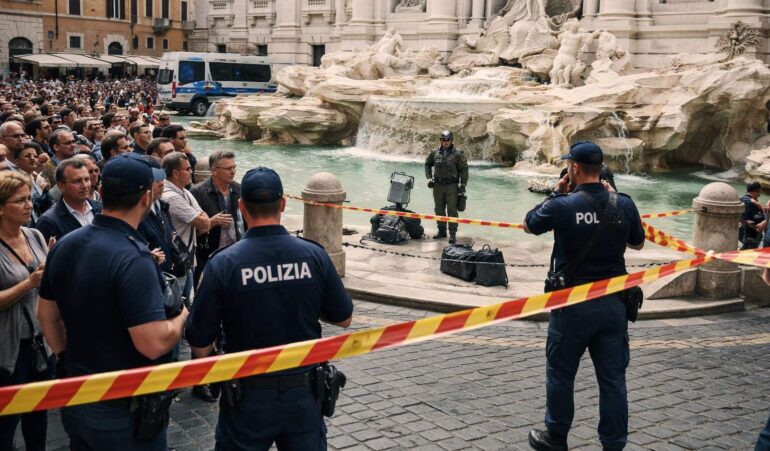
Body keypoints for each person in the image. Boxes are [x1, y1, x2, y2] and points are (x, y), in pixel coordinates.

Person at [186, 167, 354, 450]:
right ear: (284, 203)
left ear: (241, 207)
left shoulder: (223, 263)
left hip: (247, 395)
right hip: (303, 392)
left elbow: (200, 342)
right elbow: (344, 318)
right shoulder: (313, 255)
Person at [37, 152, 187, 451]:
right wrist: (181, 315)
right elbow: (152, 343)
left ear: (100, 191)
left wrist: (66, 358)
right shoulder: (135, 258)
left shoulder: (66, 244)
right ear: (146, 198)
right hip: (124, 405)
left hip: (77, 392)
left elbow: (46, 315)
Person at [523, 141, 645, 451]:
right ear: (601, 169)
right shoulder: (624, 204)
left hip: (572, 306)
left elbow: (529, 224)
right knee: (613, 379)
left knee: (562, 373)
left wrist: (558, 191)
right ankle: (614, 444)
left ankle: (556, 437)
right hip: (614, 304)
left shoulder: (562, 204)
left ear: (574, 168)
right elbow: (638, 244)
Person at [0, 171, 53, 451]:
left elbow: (46, 285)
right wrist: (29, 283)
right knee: (7, 420)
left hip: (39, 341)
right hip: (8, 346)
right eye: (20, 200)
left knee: (39, 410)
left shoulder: (34, 235)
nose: (29, 205)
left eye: (29, 199)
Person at [190, 150, 243, 286]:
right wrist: (211, 223)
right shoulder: (197, 193)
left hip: (236, 253)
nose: (233, 171)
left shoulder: (240, 190)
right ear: (214, 170)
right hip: (208, 255)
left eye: (234, 167)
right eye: (228, 168)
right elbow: (189, 231)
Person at [36, 158, 102, 242]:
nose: (85, 185)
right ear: (61, 186)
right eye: (77, 181)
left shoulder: (101, 209)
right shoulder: (49, 222)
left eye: (87, 179)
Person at [424, 130, 468, 244]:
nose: (446, 142)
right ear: (440, 140)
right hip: (437, 185)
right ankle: (441, 231)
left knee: (452, 210)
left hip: (452, 186)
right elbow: (427, 164)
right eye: (444, 140)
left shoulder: (458, 154)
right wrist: (429, 178)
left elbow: (464, 170)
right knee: (439, 209)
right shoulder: (435, 153)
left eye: (448, 140)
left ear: (451, 140)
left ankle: (452, 234)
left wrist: (462, 185)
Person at [740, 181, 765, 250]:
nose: (761, 192)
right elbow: (741, 199)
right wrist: (751, 200)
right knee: (747, 252)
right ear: (756, 190)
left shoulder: (753, 200)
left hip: (754, 233)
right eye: (760, 190)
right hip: (749, 233)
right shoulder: (747, 200)